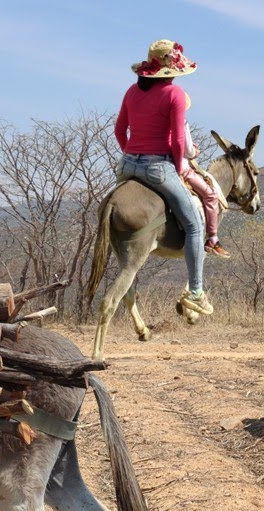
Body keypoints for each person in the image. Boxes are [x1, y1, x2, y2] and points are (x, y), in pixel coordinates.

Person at [115, 39, 213, 316]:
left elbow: (120, 130)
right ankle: (195, 292)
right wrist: (176, 163)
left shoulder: (132, 92)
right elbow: (179, 140)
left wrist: (133, 154)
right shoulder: (175, 94)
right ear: (172, 69)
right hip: (158, 167)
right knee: (195, 225)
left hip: (126, 166)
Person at [181, 92, 229, 258]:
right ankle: (212, 239)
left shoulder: (152, 116)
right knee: (211, 195)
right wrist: (195, 150)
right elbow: (187, 150)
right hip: (179, 167)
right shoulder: (180, 120)